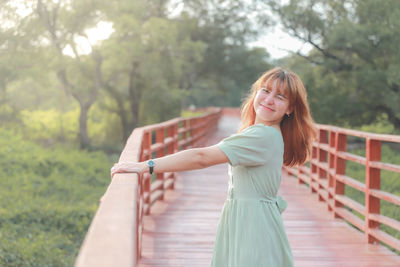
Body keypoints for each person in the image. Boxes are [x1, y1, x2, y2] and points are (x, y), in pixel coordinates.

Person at [111, 67, 317, 267]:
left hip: (253, 228)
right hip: (251, 221)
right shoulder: (266, 132)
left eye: (280, 96)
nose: (269, 99)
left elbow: (201, 157)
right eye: (265, 90)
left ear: (290, 108)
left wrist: (147, 165)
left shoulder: (262, 136)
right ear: (256, 93)